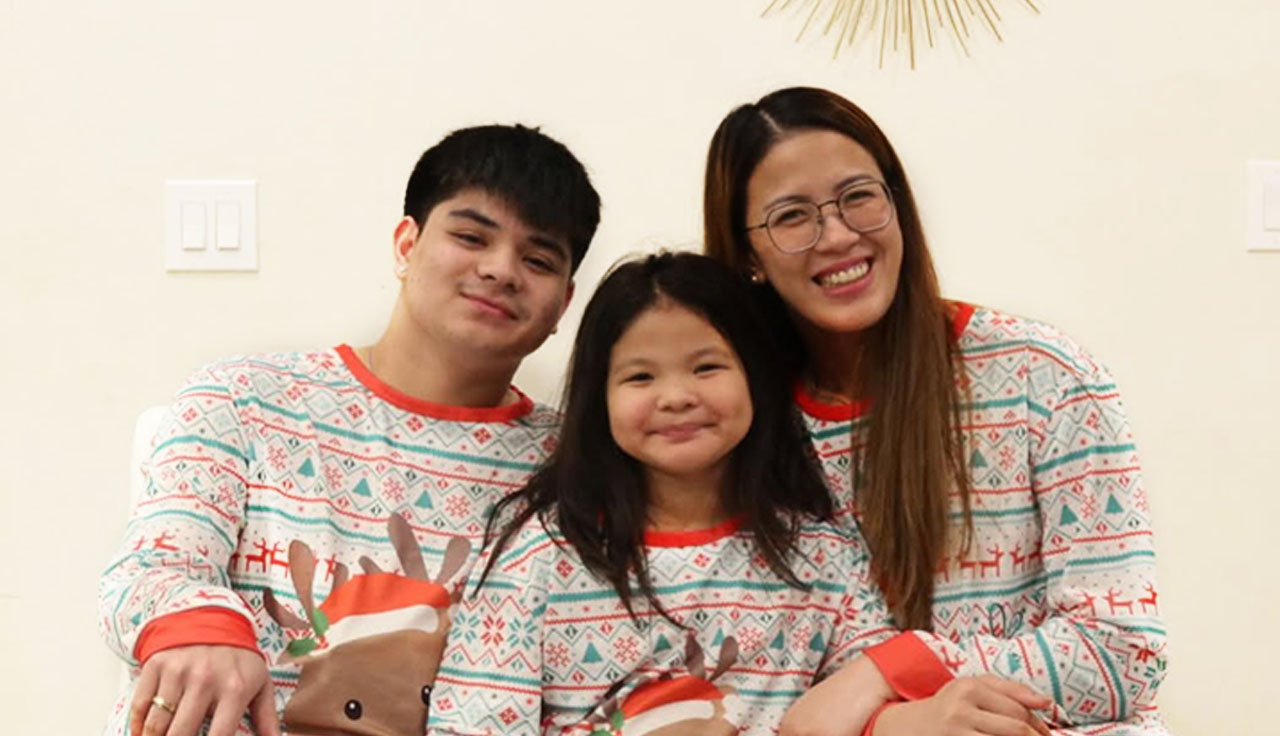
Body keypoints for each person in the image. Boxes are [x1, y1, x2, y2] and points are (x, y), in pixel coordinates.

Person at [97, 123, 601, 736]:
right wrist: (199, 627)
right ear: (406, 246)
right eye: (471, 237)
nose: (501, 270)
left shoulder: (580, 469)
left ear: (563, 304)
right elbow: (154, 568)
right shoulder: (241, 400)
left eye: (538, 260)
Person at [703, 86, 1169, 735]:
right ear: (748, 254)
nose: (837, 235)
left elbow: (1123, 654)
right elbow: (744, 682)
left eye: (858, 196)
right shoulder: (722, 424)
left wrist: (897, 667)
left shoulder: (1045, 377)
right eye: (792, 216)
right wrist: (895, 724)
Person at [426, 252, 967, 736]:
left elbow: (880, 692)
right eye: (640, 377)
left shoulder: (821, 555)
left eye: (706, 367)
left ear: (755, 377)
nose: (677, 397)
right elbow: (473, 723)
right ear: (599, 398)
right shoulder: (540, 554)